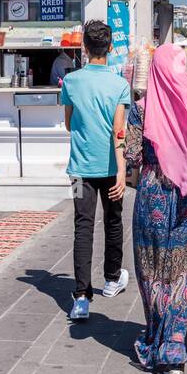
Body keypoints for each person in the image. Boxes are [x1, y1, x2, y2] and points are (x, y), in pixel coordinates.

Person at [124, 44, 187, 374]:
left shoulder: (141, 109)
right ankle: (175, 344)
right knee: (183, 270)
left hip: (154, 193)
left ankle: (157, 338)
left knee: (152, 269)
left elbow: (131, 154)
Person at [61, 19, 132, 321]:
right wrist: (122, 171)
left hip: (79, 169)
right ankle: (112, 279)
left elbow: (68, 123)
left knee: (83, 225)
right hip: (109, 167)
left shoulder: (71, 81)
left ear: (85, 48)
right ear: (111, 47)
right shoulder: (119, 84)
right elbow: (120, 132)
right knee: (113, 221)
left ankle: (80, 296)